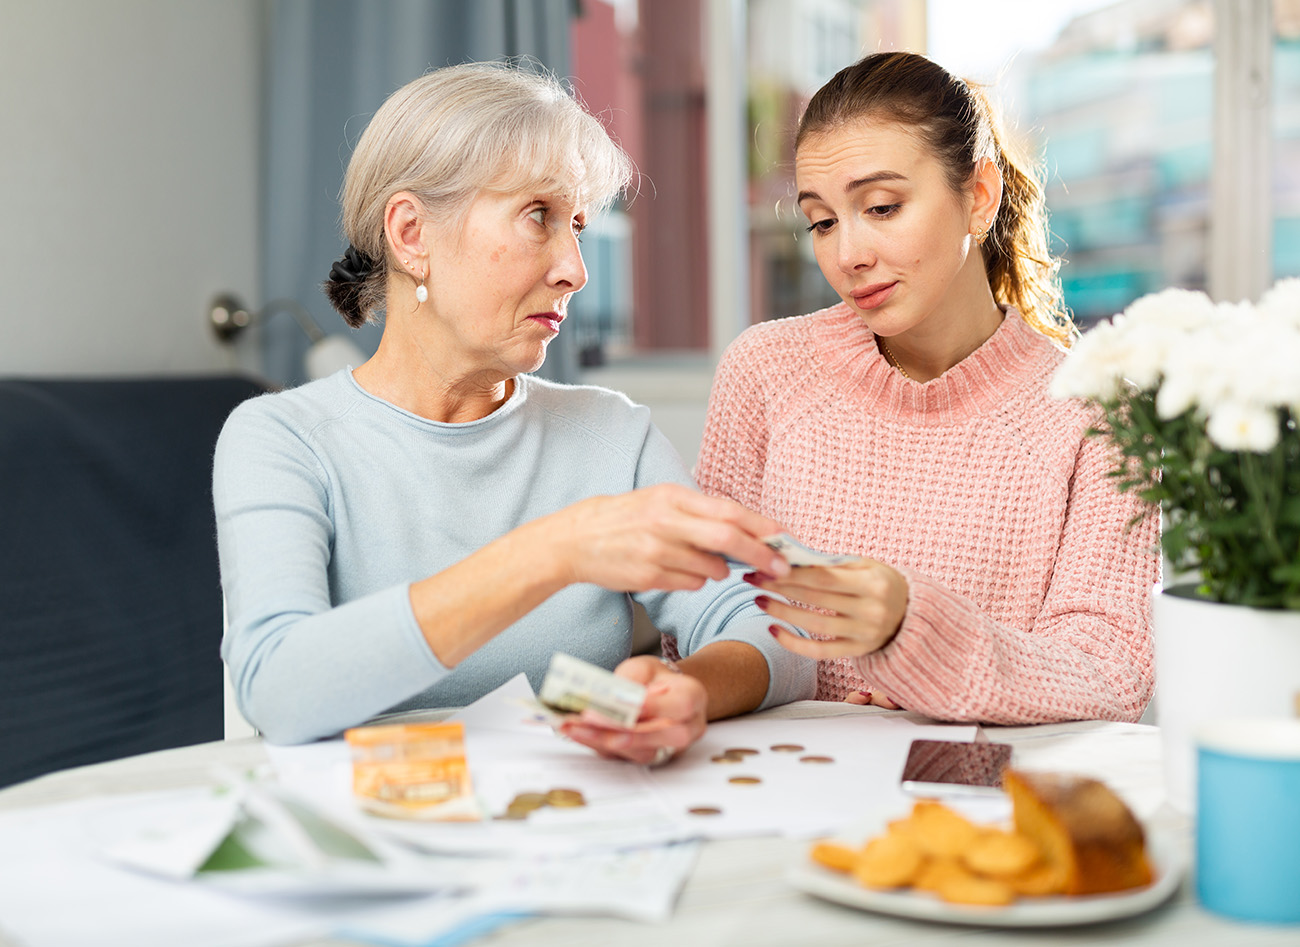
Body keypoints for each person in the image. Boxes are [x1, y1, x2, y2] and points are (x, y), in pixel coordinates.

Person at [214, 62, 816, 754]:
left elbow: (778, 626)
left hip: (567, 823)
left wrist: (693, 689)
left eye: (580, 226)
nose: (576, 269)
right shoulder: (281, 438)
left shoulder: (610, 434)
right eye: (539, 216)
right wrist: (552, 551)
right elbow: (281, 688)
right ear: (412, 234)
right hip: (368, 831)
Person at [686, 51, 1160, 724]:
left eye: (882, 206)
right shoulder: (765, 372)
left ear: (979, 197)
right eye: (822, 221)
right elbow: (700, 611)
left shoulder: (1101, 409)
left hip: (979, 800)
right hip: (776, 783)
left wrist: (915, 632)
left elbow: (1109, 671)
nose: (848, 253)